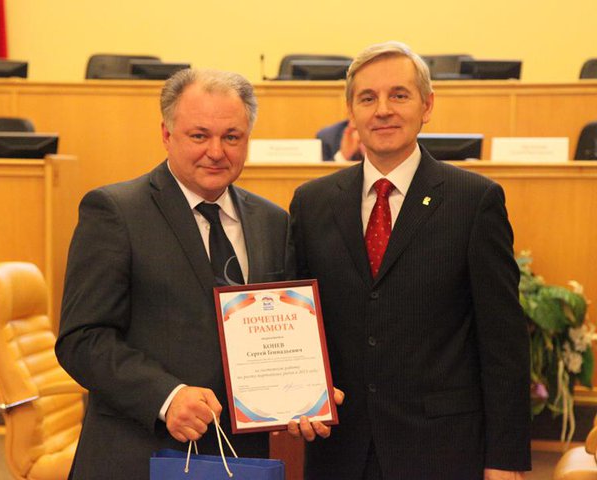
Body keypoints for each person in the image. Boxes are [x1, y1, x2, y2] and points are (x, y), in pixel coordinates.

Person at [288, 41, 531, 479]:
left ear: (427, 105)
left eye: (398, 95)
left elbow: (504, 343)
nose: (383, 110)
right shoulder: (311, 203)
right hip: (339, 452)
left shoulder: (474, 201)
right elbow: (297, 325)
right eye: (368, 98)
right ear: (351, 111)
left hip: (442, 452)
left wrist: (505, 459)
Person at [55, 68, 293, 479]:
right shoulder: (115, 212)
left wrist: (306, 392)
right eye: (199, 135)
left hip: (241, 458)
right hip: (139, 454)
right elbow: (82, 339)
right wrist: (167, 397)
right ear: (166, 135)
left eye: (231, 137)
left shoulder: (273, 221)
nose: (216, 151)